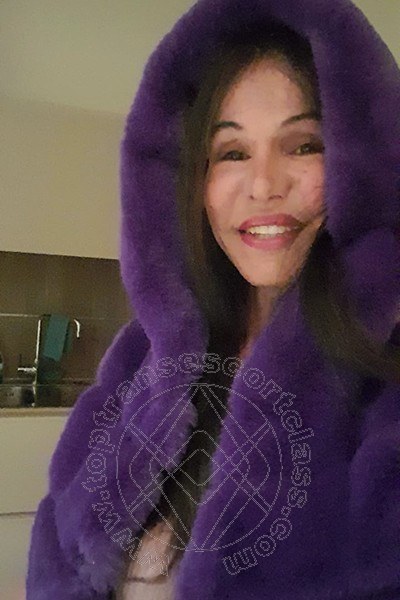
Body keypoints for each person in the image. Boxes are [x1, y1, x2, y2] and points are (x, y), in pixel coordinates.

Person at [26, 0, 400, 599]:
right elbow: (58, 553)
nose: (264, 185)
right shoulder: (141, 357)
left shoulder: (386, 378)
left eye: (304, 145)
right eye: (232, 153)